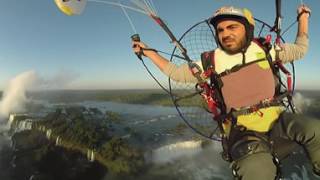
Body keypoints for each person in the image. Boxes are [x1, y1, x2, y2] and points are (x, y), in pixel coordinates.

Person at [132, 5, 319, 180]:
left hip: (279, 119)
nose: (225, 34)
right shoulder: (210, 62)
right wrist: (148, 52)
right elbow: (176, 73)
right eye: (220, 30)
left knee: (315, 130)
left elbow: (300, 49)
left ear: (247, 29)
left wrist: (303, 18)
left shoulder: (266, 49)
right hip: (243, 130)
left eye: (232, 27)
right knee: (255, 169)